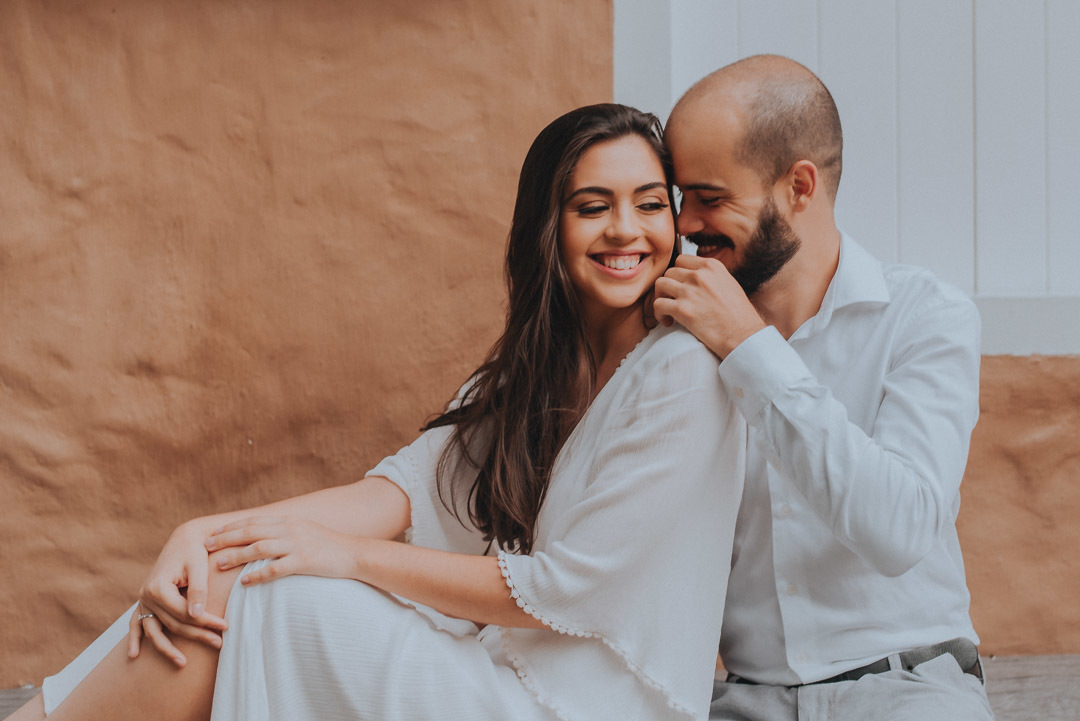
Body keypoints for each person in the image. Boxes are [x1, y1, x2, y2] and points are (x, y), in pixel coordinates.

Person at [8, 103, 745, 721]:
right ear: (549, 228)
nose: (628, 230)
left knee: (277, 592)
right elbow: (394, 495)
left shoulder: (681, 368)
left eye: (650, 203)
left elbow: (563, 589)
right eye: (594, 206)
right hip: (502, 678)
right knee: (229, 577)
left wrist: (348, 558)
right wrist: (201, 536)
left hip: (573, 708)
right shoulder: (536, 373)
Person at [652, 55, 994, 720]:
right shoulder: (675, 340)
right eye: (679, 198)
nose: (686, 224)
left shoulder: (925, 317)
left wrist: (749, 350)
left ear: (799, 188)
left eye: (710, 197)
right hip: (740, 698)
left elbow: (897, 529)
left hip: (910, 690)